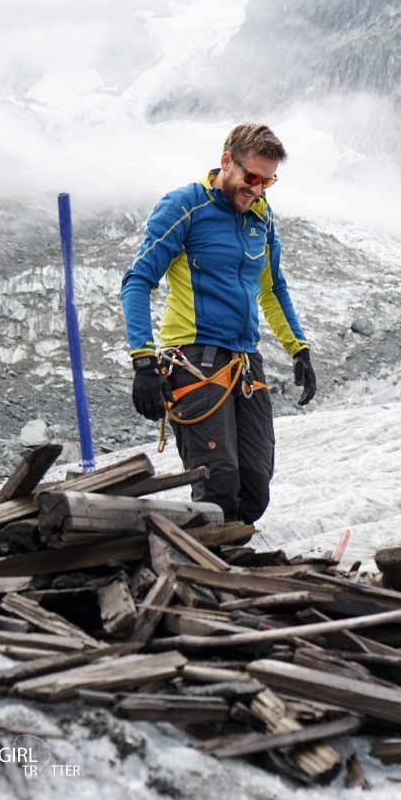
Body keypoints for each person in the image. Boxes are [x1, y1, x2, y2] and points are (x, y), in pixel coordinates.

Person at [120, 122, 316, 524]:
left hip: (245, 364)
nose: (257, 189)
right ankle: (205, 578)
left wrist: (299, 350)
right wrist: (143, 361)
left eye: (268, 182)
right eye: (252, 178)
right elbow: (138, 280)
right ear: (227, 161)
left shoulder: (261, 216)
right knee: (219, 487)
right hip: (194, 360)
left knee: (255, 490)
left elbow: (273, 288)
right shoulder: (185, 205)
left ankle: (228, 576)